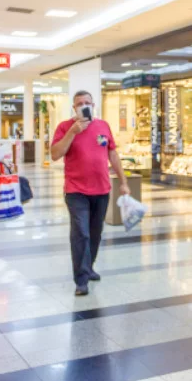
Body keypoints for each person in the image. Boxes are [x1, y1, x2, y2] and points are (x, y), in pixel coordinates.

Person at [51, 91, 130, 296]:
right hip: (76, 190)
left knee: (95, 233)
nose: (84, 106)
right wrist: (72, 132)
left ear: (93, 105)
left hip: (101, 189)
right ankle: (81, 279)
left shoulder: (103, 126)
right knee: (81, 233)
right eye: (79, 103)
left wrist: (123, 182)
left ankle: (88, 266)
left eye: (87, 103)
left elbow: (112, 153)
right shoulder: (64, 127)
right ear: (73, 108)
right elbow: (55, 154)